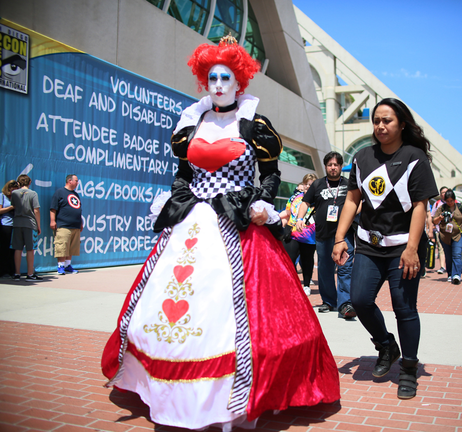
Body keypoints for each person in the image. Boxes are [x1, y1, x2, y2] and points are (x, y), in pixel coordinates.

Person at [101, 36, 340, 430]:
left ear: (239, 81)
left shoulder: (254, 123)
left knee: (243, 311)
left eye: (225, 77)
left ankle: (235, 393)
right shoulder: (191, 121)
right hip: (192, 220)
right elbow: (183, 172)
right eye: (210, 77)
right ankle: (166, 385)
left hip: (236, 221)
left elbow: (271, 173)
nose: (217, 84)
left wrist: (263, 202)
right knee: (167, 303)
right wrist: (175, 197)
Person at [332, 98, 438, 400]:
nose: (380, 126)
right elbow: (352, 200)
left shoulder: (415, 157)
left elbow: (420, 205)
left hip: (404, 248)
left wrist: (412, 248)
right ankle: (386, 345)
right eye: (376, 120)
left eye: (387, 120)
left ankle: (408, 369)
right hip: (368, 244)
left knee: (405, 309)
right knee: (359, 300)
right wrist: (341, 239)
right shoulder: (363, 157)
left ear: (401, 123)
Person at [295, 152, 356, 319]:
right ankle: (329, 301)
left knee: (345, 268)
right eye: (330, 165)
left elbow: (358, 203)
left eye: (336, 164)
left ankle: (345, 304)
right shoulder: (318, 184)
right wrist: (300, 218)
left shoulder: (349, 184)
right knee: (325, 269)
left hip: (344, 235)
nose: (333, 167)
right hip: (323, 234)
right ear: (325, 166)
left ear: (341, 166)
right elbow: (305, 203)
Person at [279, 173, 318, 295]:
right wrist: (276, 221)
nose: (307, 186)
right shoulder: (295, 198)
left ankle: (306, 285)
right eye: (306, 184)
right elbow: (287, 212)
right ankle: (291, 283)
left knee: (307, 261)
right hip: (292, 234)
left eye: (311, 185)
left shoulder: (318, 200)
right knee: (288, 260)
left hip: (309, 237)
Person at [431, 189, 462, 285]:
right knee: (448, 256)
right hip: (445, 236)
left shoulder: (460, 207)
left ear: (454, 199)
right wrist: (440, 217)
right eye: (448, 201)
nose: (450, 203)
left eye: (451, 201)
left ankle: (456, 275)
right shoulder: (441, 208)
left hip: (458, 235)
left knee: (457, 254)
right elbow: (434, 221)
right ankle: (450, 274)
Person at [10, 174, 42, 281]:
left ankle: (17, 273)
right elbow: (36, 210)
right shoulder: (33, 193)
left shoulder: (14, 193)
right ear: (29, 183)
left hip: (17, 222)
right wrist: (38, 225)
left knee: (17, 249)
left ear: (18, 183)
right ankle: (30, 274)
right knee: (30, 249)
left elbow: (14, 206)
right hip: (30, 223)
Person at [50, 174, 83, 275]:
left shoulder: (76, 194)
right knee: (62, 246)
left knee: (72, 247)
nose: (77, 183)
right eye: (76, 181)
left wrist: (80, 222)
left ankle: (67, 265)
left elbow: (78, 209)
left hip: (75, 226)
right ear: (70, 181)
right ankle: (60, 266)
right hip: (63, 225)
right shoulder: (60, 192)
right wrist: (52, 220)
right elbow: (53, 208)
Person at [0, 179, 19, 278]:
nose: (13, 191)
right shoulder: (2, 196)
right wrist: (12, 207)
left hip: (16, 224)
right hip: (5, 224)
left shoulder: (17, 197)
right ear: (8, 188)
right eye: (12, 189)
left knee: (13, 249)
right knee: (4, 248)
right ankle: (3, 271)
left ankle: (12, 270)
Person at [429, 186, 448, 275]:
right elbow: (432, 217)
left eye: (446, 192)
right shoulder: (437, 204)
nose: (444, 194)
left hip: (452, 232)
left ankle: (451, 267)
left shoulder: (456, 203)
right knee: (441, 248)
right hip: (439, 230)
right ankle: (442, 266)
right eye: (443, 192)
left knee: (452, 249)